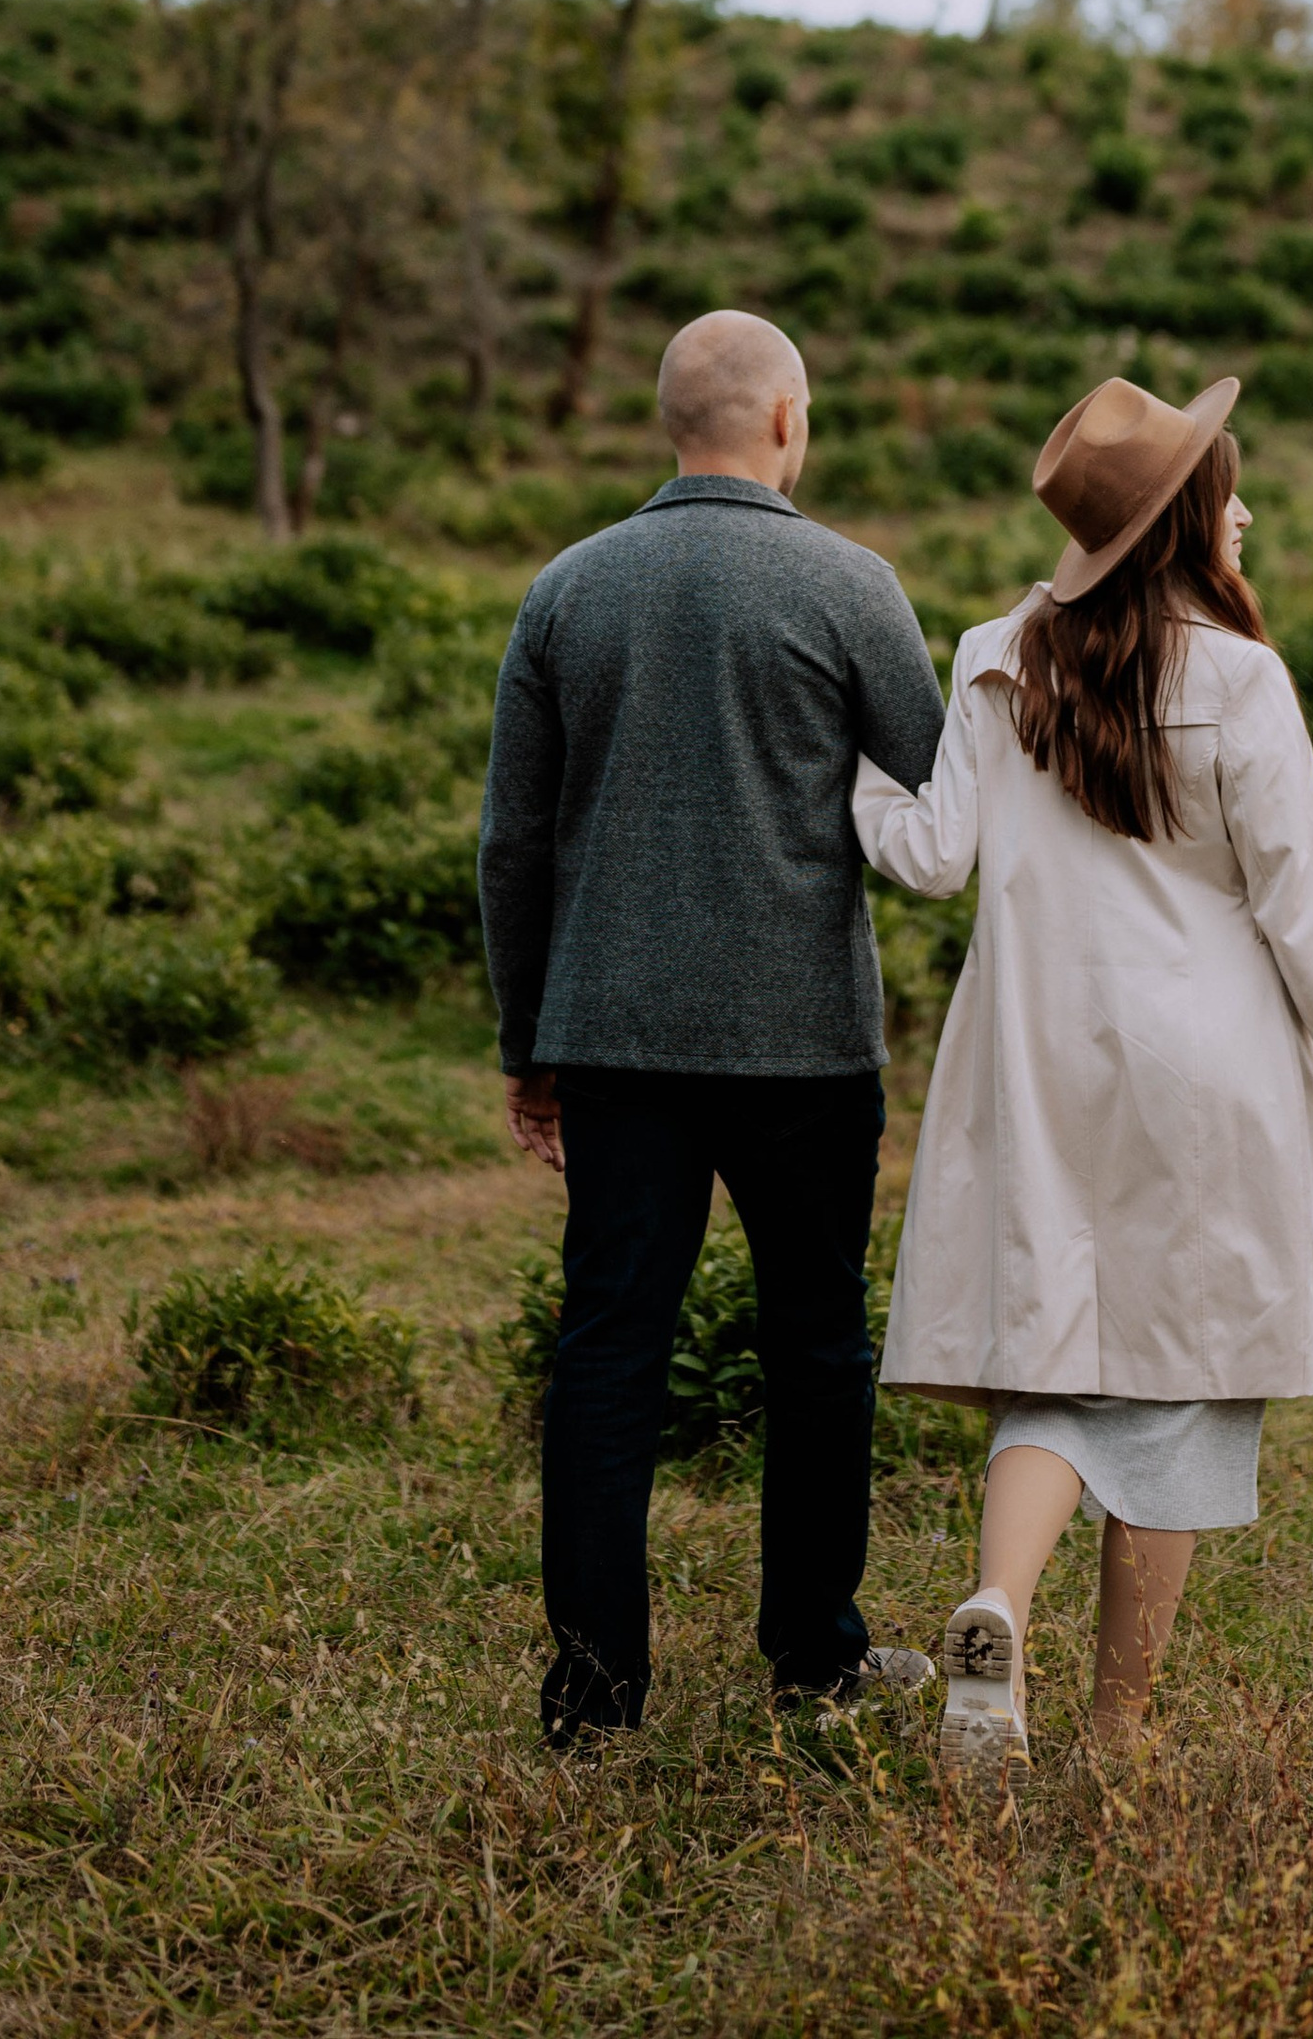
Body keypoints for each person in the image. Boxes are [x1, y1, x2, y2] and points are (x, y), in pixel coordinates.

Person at [855, 371, 1313, 1789]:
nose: (1244, 507)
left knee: (1055, 1358)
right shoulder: (1241, 680)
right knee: (1183, 1382)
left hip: (1034, 1060)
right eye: (1226, 487)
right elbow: (1310, 923)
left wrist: (850, 786)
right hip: (1211, 1078)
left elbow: (930, 856)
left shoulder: (996, 651)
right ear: (1186, 519)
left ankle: (998, 1609)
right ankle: (1116, 1732)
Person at [479, 307, 949, 1741]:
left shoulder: (568, 587)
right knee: (817, 1349)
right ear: (789, 421)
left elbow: (515, 842)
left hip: (614, 1040)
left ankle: (595, 1693)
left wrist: (528, 1045)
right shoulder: (853, 586)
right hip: (805, 1041)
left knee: (609, 1351)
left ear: (671, 424)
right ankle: (814, 1657)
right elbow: (938, 796)